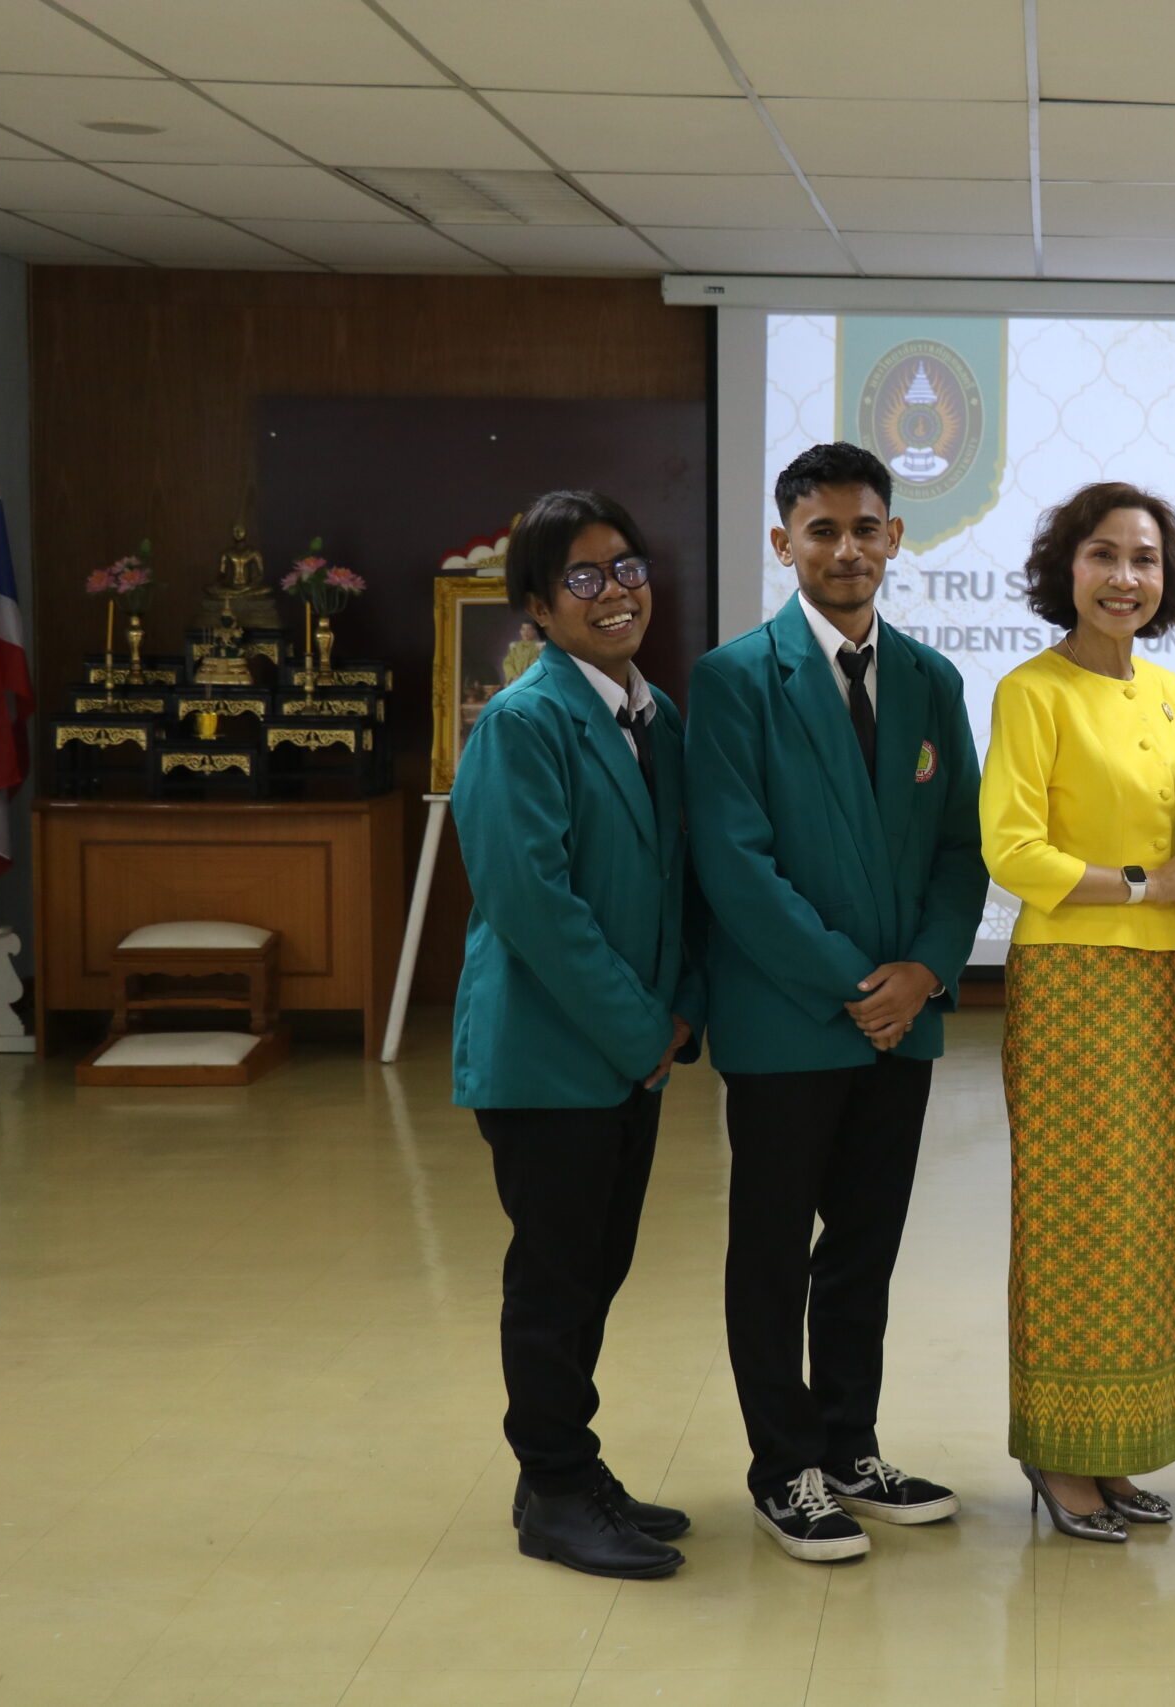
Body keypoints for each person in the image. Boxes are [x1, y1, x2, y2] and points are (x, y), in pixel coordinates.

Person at [686, 443, 990, 1564]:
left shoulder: (930, 680)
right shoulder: (732, 681)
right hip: (789, 1022)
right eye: (822, 531)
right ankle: (785, 1469)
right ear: (785, 544)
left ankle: (850, 1446)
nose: (847, 550)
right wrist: (857, 983)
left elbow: (961, 846)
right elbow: (736, 865)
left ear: (895, 537)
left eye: (866, 528)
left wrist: (925, 969)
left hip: (903, 1023)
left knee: (865, 1246)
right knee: (772, 1250)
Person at [979, 481, 1175, 1542]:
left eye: (1145, 560)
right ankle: (1058, 1456)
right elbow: (1012, 851)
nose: (1124, 578)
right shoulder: (1031, 691)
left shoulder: (1171, 693)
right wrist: (1151, 884)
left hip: (1158, 985)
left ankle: (1114, 1445)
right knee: (1071, 1220)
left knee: (1146, 1221)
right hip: (1068, 982)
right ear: (1067, 568)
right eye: (1103, 555)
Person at [451, 489, 705, 1581]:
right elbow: (534, 904)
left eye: (628, 568)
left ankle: (562, 1467)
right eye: (585, 578)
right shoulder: (523, 722)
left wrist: (681, 1005)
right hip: (548, 1057)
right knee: (555, 1282)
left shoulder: (657, 715)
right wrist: (642, 1028)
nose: (616, 594)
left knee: (597, 1266)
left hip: (628, 1056)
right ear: (537, 606)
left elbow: (680, 879)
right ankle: (556, 1489)